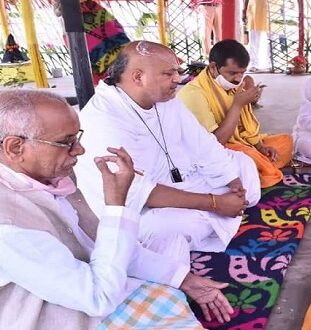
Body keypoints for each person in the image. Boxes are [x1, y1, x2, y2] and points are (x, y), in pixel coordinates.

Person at [0, 90, 234, 330]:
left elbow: (94, 243)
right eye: (66, 143)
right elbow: (98, 296)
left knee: (169, 286)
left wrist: (186, 280)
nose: (79, 151)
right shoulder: (3, 227)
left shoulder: (40, 178)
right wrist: (117, 206)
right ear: (15, 147)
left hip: (78, 291)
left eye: (77, 138)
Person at [75, 40, 261, 256]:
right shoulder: (103, 118)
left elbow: (203, 144)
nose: (178, 79)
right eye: (168, 73)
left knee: (244, 164)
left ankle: (227, 210)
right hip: (143, 206)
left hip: (184, 178)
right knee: (170, 227)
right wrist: (215, 203)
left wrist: (233, 182)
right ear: (138, 77)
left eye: (177, 72)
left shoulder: (166, 100)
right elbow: (134, 191)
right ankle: (224, 214)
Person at [178, 39, 292, 188]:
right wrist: (238, 105)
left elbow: (245, 128)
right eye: (232, 73)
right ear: (213, 67)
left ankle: (253, 171)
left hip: (240, 144)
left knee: (285, 141)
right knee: (249, 159)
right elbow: (215, 143)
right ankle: (254, 171)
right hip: (213, 151)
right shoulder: (194, 93)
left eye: (242, 73)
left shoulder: (232, 85)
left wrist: (260, 147)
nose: (238, 79)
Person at [243, 0, 271, 71]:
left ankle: (270, 64)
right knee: (254, 40)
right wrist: (244, 10)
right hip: (254, 8)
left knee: (271, 39)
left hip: (271, 8)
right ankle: (253, 64)